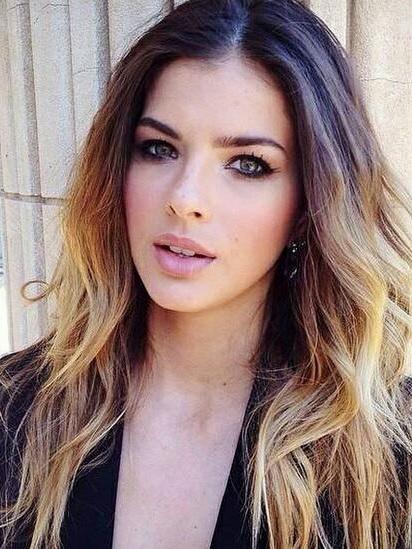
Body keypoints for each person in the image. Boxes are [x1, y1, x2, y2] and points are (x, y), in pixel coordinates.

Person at [1, 0, 412, 547]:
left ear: (310, 202)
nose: (185, 198)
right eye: (158, 148)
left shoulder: (387, 450)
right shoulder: (16, 411)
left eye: (248, 164)